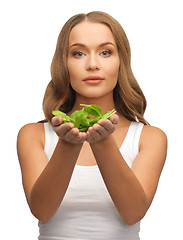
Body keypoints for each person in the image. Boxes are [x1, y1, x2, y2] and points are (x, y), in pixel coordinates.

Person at [17, 11, 167, 240]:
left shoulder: (150, 138)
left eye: (105, 52)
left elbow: (133, 213)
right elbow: (42, 211)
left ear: (121, 61)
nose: (93, 64)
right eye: (78, 53)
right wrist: (68, 145)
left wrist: (103, 143)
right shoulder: (34, 135)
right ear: (63, 64)